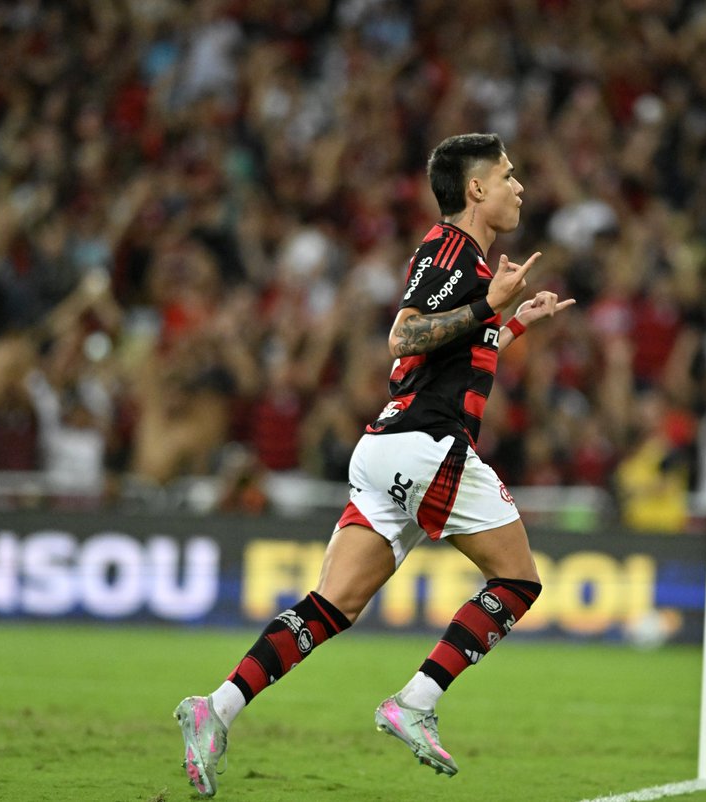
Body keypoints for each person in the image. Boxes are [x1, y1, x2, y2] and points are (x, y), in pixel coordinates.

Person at [174, 132, 576, 797]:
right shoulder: (453, 252)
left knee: (332, 605)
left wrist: (511, 324)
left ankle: (215, 708)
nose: (519, 185)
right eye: (508, 174)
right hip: (427, 445)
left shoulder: (458, 260)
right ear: (475, 189)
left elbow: (438, 356)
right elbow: (405, 334)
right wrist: (489, 305)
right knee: (519, 581)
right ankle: (414, 701)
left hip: (387, 446)